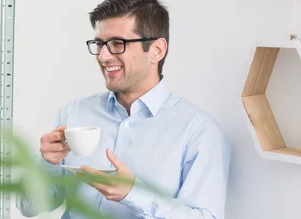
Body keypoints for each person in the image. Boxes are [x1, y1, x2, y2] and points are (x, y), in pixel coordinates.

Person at [17, 0, 231, 219]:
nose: (103, 56)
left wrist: (133, 194)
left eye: (118, 43)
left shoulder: (198, 132)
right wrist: (46, 162)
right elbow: (29, 207)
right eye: (99, 44)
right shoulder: (73, 114)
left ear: (157, 50)